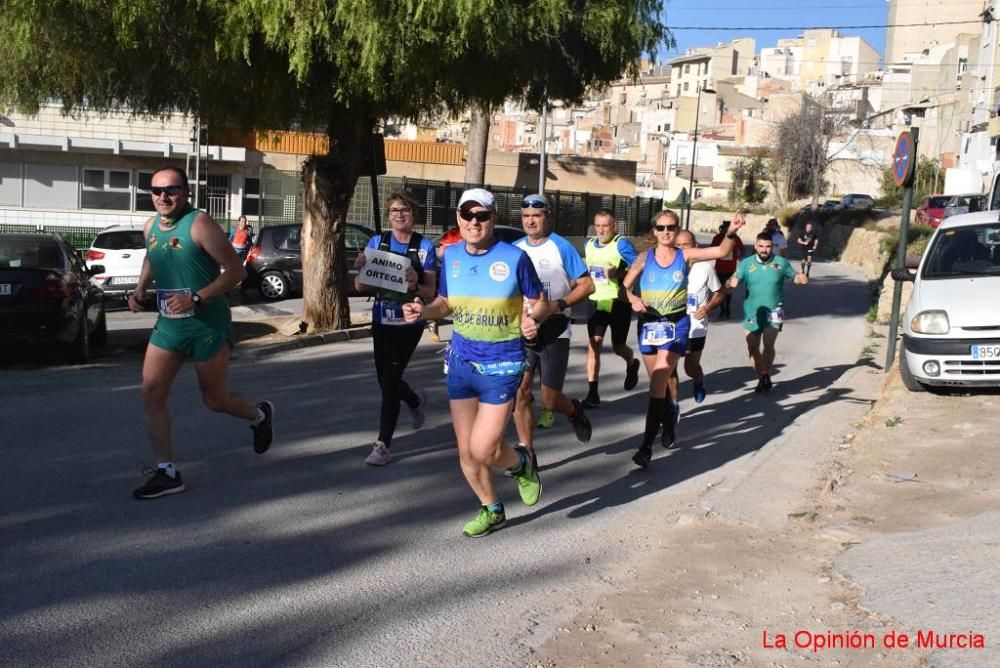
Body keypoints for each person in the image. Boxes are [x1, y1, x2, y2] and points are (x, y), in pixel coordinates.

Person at [402, 188, 546, 538]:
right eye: (467, 215)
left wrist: (533, 319)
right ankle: (491, 508)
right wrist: (424, 311)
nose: (473, 222)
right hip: (462, 362)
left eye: (481, 215)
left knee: (484, 448)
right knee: (466, 451)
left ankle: (522, 464)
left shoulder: (514, 258)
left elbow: (538, 300)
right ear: (458, 219)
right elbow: (445, 304)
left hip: (502, 365)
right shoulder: (450, 256)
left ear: (494, 218)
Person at [128, 166, 274, 499]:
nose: (163, 197)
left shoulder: (200, 223)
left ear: (186, 192)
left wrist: (196, 297)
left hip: (206, 323)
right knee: (151, 393)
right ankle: (167, 472)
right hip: (168, 324)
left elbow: (236, 271)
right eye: (156, 191)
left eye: (172, 190)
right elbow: (153, 258)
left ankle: (259, 415)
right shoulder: (150, 226)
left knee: (215, 400)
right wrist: (139, 289)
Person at [622, 209, 745, 467]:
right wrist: (633, 299)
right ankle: (668, 421)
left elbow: (720, 252)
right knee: (660, 386)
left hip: (677, 324)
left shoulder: (685, 256)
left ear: (677, 230)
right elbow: (624, 288)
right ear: (654, 231)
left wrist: (731, 231)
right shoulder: (644, 259)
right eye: (661, 228)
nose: (666, 232)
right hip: (649, 325)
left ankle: (645, 447)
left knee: (658, 380)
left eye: (671, 227)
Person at [353, 191, 438, 465]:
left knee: (389, 380)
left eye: (404, 210)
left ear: (413, 215)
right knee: (384, 379)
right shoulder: (379, 242)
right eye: (393, 211)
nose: (399, 215)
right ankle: (414, 401)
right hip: (382, 319)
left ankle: (383, 445)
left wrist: (414, 284)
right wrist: (360, 269)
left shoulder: (424, 247)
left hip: (410, 321)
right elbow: (361, 287)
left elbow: (430, 292)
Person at [512, 194, 595, 467]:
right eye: (525, 216)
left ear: (548, 216)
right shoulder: (513, 250)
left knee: (549, 400)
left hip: (555, 329)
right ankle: (528, 452)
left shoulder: (561, 247)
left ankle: (572, 410)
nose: (530, 221)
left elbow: (586, 285)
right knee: (521, 393)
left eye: (536, 216)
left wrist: (558, 306)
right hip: (523, 331)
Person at [728, 232, 809, 393]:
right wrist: (730, 283)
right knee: (752, 348)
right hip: (752, 312)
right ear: (756, 246)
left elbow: (794, 277)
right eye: (761, 246)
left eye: (768, 246)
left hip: (774, 311)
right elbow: (732, 280)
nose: (764, 250)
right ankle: (762, 376)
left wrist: (801, 278)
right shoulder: (746, 264)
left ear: (772, 247)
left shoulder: (781, 263)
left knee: (769, 345)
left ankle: (765, 374)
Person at [581, 209, 641, 408]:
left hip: (618, 302)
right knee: (594, 344)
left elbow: (639, 266)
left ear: (614, 226)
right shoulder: (588, 244)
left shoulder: (621, 244)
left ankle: (631, 363)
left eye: (605, 226)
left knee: (618, 347)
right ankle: (592, 393)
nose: (601, 230)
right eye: (597, 225)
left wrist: (619, 272)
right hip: (595, 301)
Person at [674, 230, 724, 404]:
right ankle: (671, 404)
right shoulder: (668, 266)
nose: (680, 248)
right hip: (673, 324)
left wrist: (707, 307)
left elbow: (719, 293)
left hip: (696, 325)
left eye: (685, 245)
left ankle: (698, 379)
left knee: (690, 367)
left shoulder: (705, 267)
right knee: (669, 366)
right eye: (677, 245)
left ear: (695, 247)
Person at [428, 224, 463, 342]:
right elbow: (442, 254)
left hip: (455, 273)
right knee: (443, 300)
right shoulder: (453, 235)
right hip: (451, 273)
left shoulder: (450, 235)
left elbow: (441, 254)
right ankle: (433, 325)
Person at [710, 220, 743, 319]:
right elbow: (711, 249)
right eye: (726, 228)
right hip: (720, 268)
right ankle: (722, 308)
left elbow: (742, 249)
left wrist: (739, 256)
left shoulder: (736, 238)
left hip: (731, 269)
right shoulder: (718, 238)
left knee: (728, 290)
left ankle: (727, 308)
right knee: (720, 290)